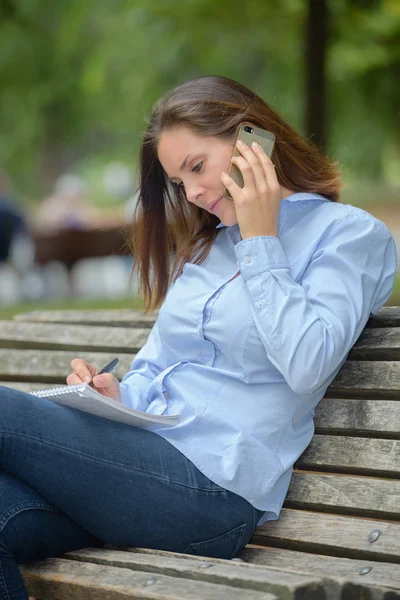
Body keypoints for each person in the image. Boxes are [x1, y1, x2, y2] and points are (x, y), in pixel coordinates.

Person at [0, 75, 397, 599]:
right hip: (136, 470)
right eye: (179, 181)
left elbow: (309, 362)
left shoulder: (349, 236)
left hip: (210, 493)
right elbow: (155, 366)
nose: (193, 194)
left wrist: (261, 239)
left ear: (255, 142)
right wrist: (116, 396)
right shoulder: (207, 249)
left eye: (196, 167)